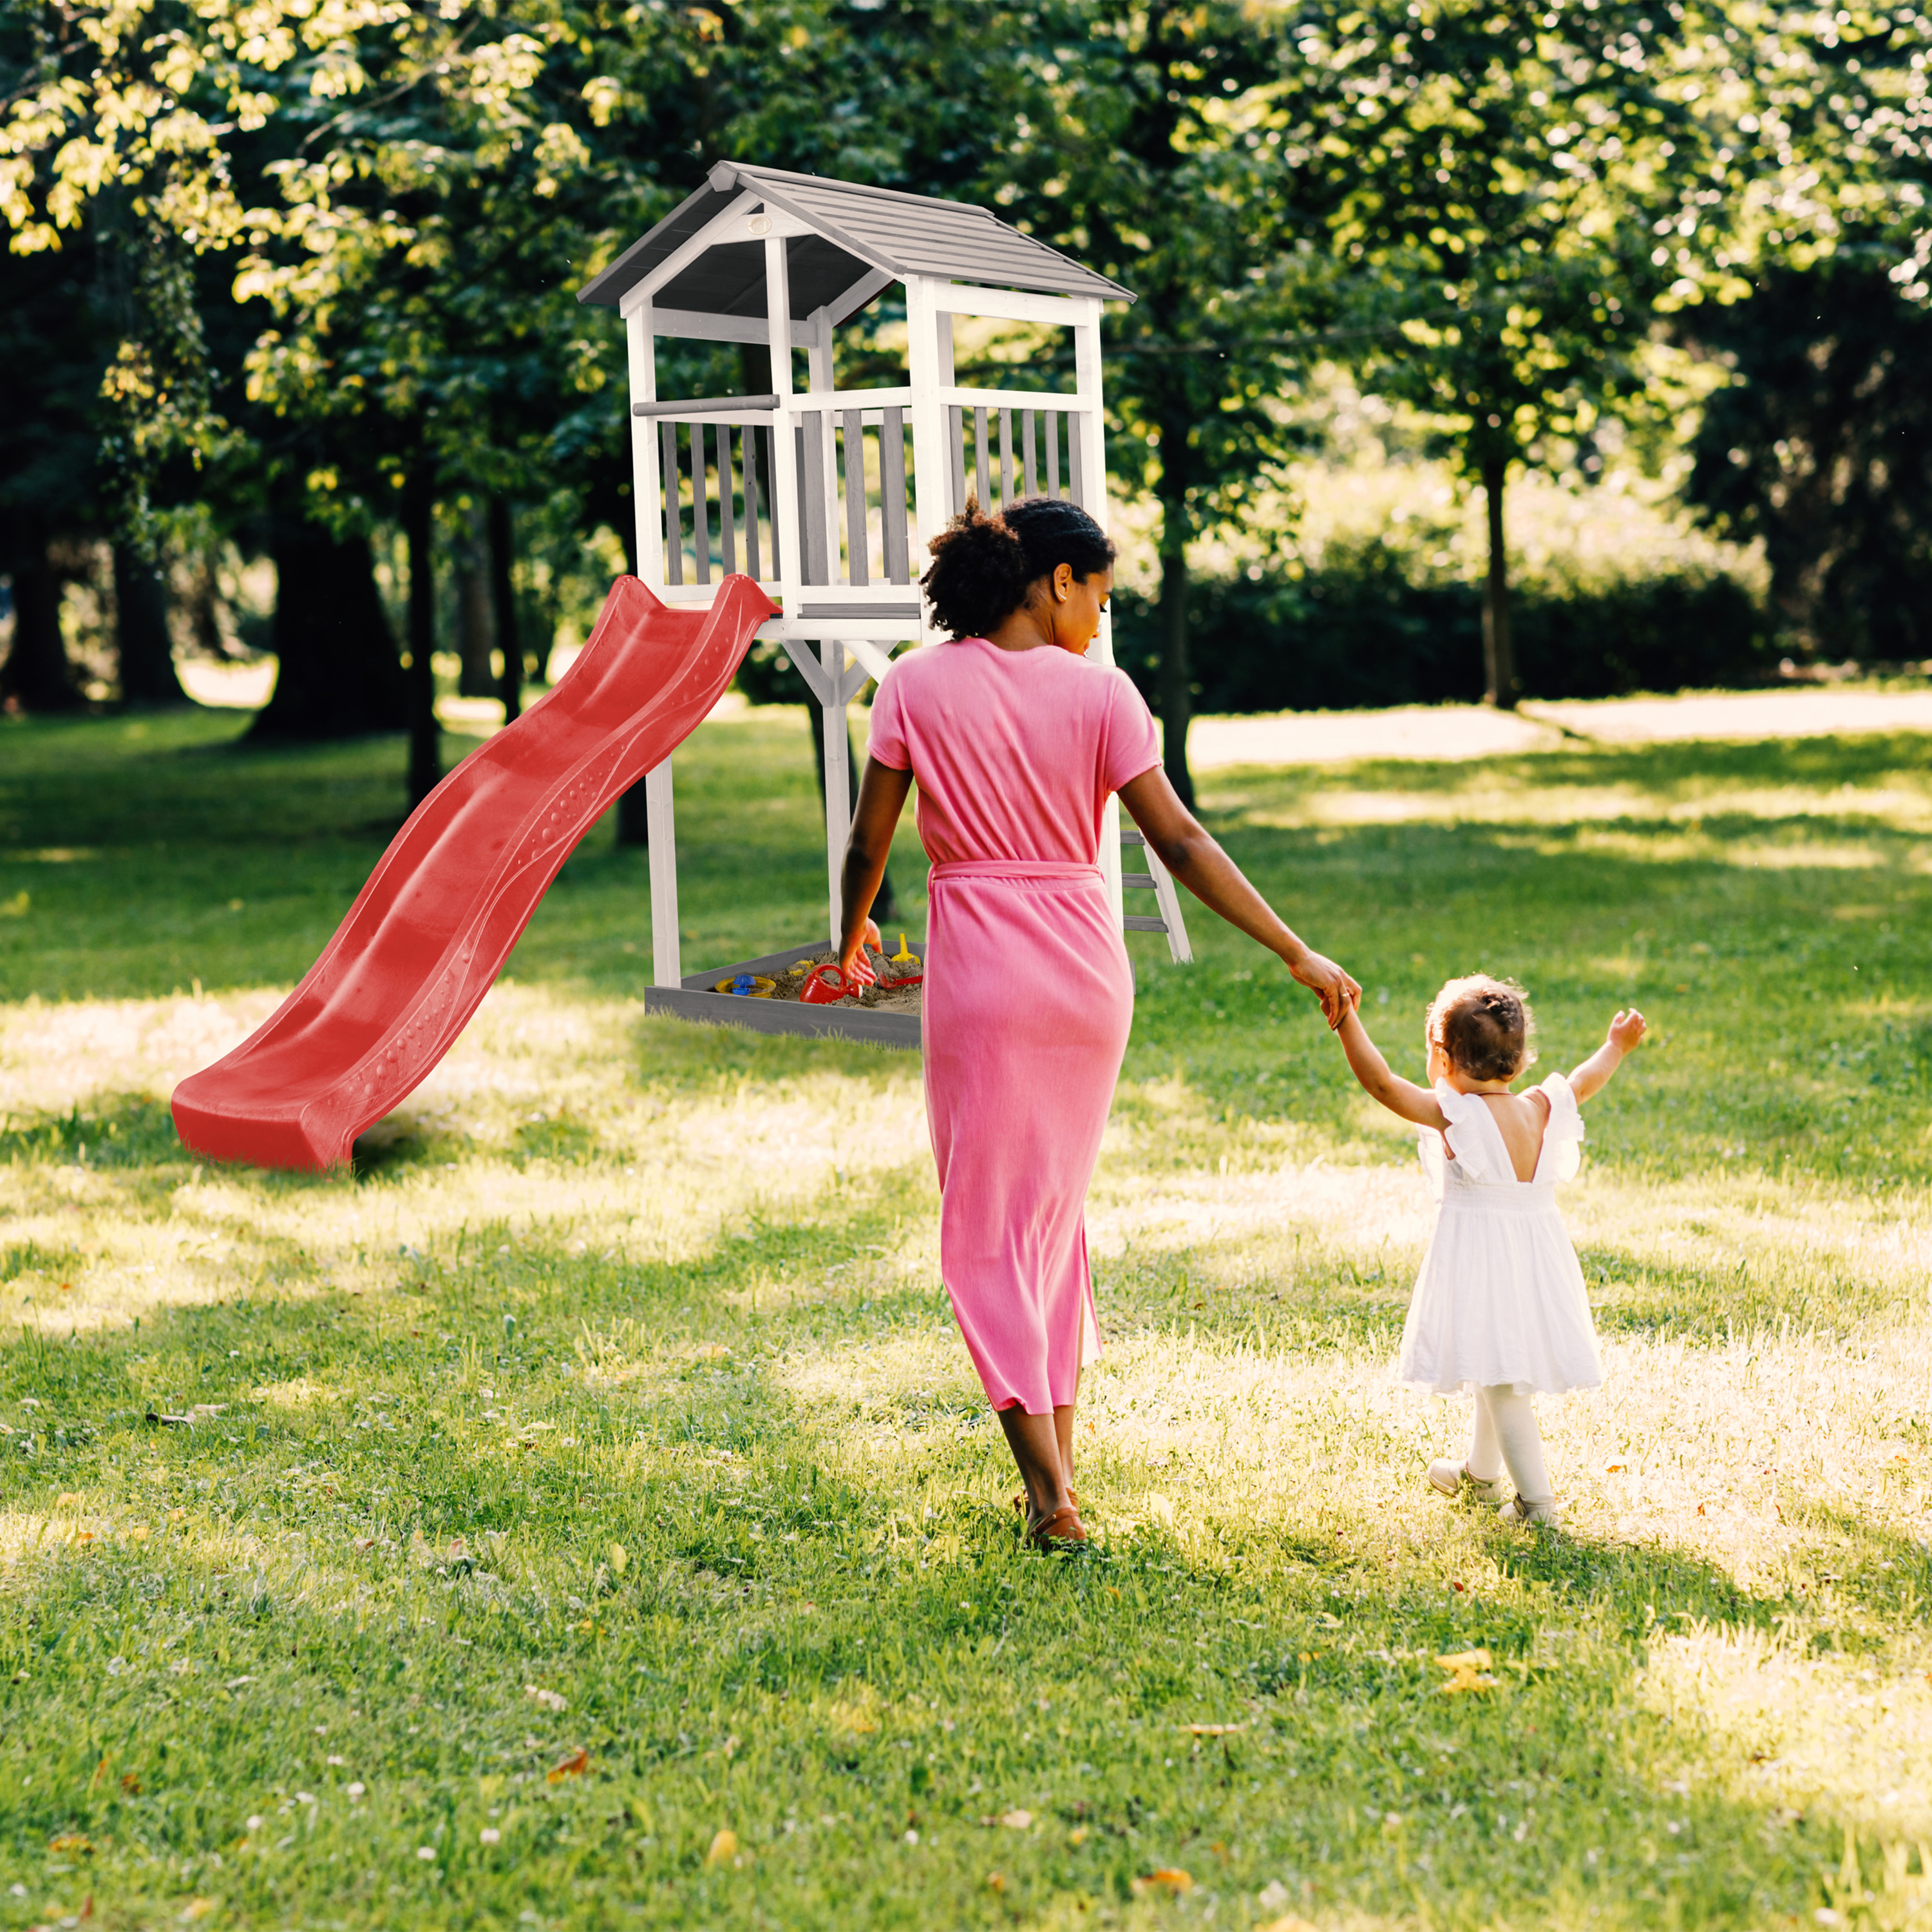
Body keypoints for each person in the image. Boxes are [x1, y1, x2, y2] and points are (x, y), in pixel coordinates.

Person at [835, 497, 1360, 1549]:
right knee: (1047, 1223)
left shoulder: (912, 684)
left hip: (982, 975)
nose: (1101, 621)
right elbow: (1181, 842)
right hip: (1085, 975)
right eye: (1101, 598)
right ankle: (1058, 1478)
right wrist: (1293, 947)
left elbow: (868, 843)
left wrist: (847, 939)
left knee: (987, 1231)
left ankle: (1047, 1496)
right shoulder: (1105, 696)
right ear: (1056, 581)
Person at [1331, 973, 1647, 1526]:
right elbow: (1585, 1079)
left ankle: (1537, 1506)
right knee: (1490, 1362)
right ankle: (1480, 1476)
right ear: (1520, 1061)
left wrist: (1345, 1019)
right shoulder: (1542, 1106)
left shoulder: (1456, 1115)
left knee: (1503, 1384)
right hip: (1535, 1261)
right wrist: (1615, 1046)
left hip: (1485, 1263)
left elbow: (1381, 1084)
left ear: (1443, 1059)